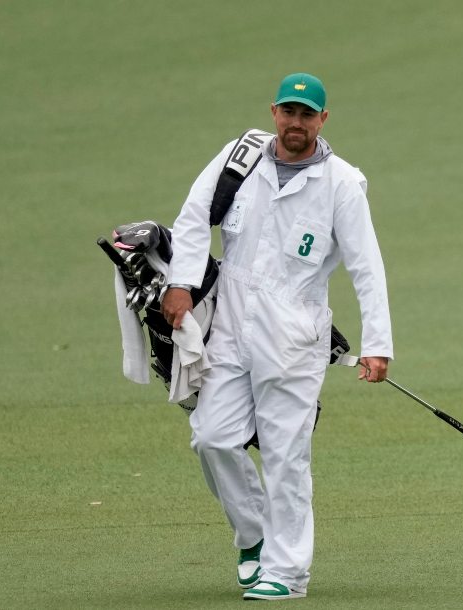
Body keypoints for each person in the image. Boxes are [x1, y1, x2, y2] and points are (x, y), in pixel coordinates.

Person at [161, 72, 393, 601]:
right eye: (288, 111)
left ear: (323, 120)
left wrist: (378, 343)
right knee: (212, 436)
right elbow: (194, 218)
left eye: (307, 114)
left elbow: (367, 266)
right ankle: (254, 536)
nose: (296, 122)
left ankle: (287, 573)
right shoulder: (239, 159)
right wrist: (181, 284)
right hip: (230, 325)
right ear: (274, 112)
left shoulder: (342, 183)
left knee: (286, 455)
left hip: (294, 337)